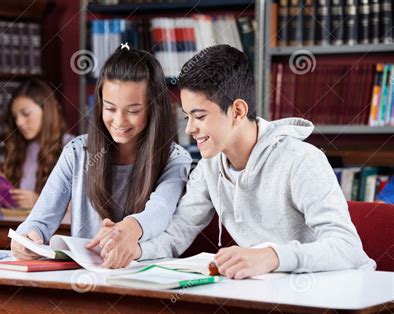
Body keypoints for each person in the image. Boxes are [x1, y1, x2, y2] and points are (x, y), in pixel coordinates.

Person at [104, 44, 375, 278]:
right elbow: (178, 232)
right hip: (274, 293)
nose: (189, 129)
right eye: (188, 117)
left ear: (237, 111)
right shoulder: (210, 167)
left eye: (200, 116)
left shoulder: (302, 161)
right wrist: (134, 249)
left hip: (341, 295)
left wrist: (271, 257)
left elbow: (347, 247)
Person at [12, 46, 192, 268]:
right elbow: (38, 221)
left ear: (154, 108)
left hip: (147, 280)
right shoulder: (77, 152)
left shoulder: (175, 159)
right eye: (110, 108)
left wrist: (126, 230)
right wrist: (26, 239)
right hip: (85, 280)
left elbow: (161, 210)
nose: (119, 121)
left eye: (133, 111)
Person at [0, 78, 74, 209]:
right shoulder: (17, 149)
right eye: (15, 117)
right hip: (15, 227)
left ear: (47, 111)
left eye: (26, 113)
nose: (19, 123)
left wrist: (39, 202)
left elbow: (87, 206)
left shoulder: (73, 147)